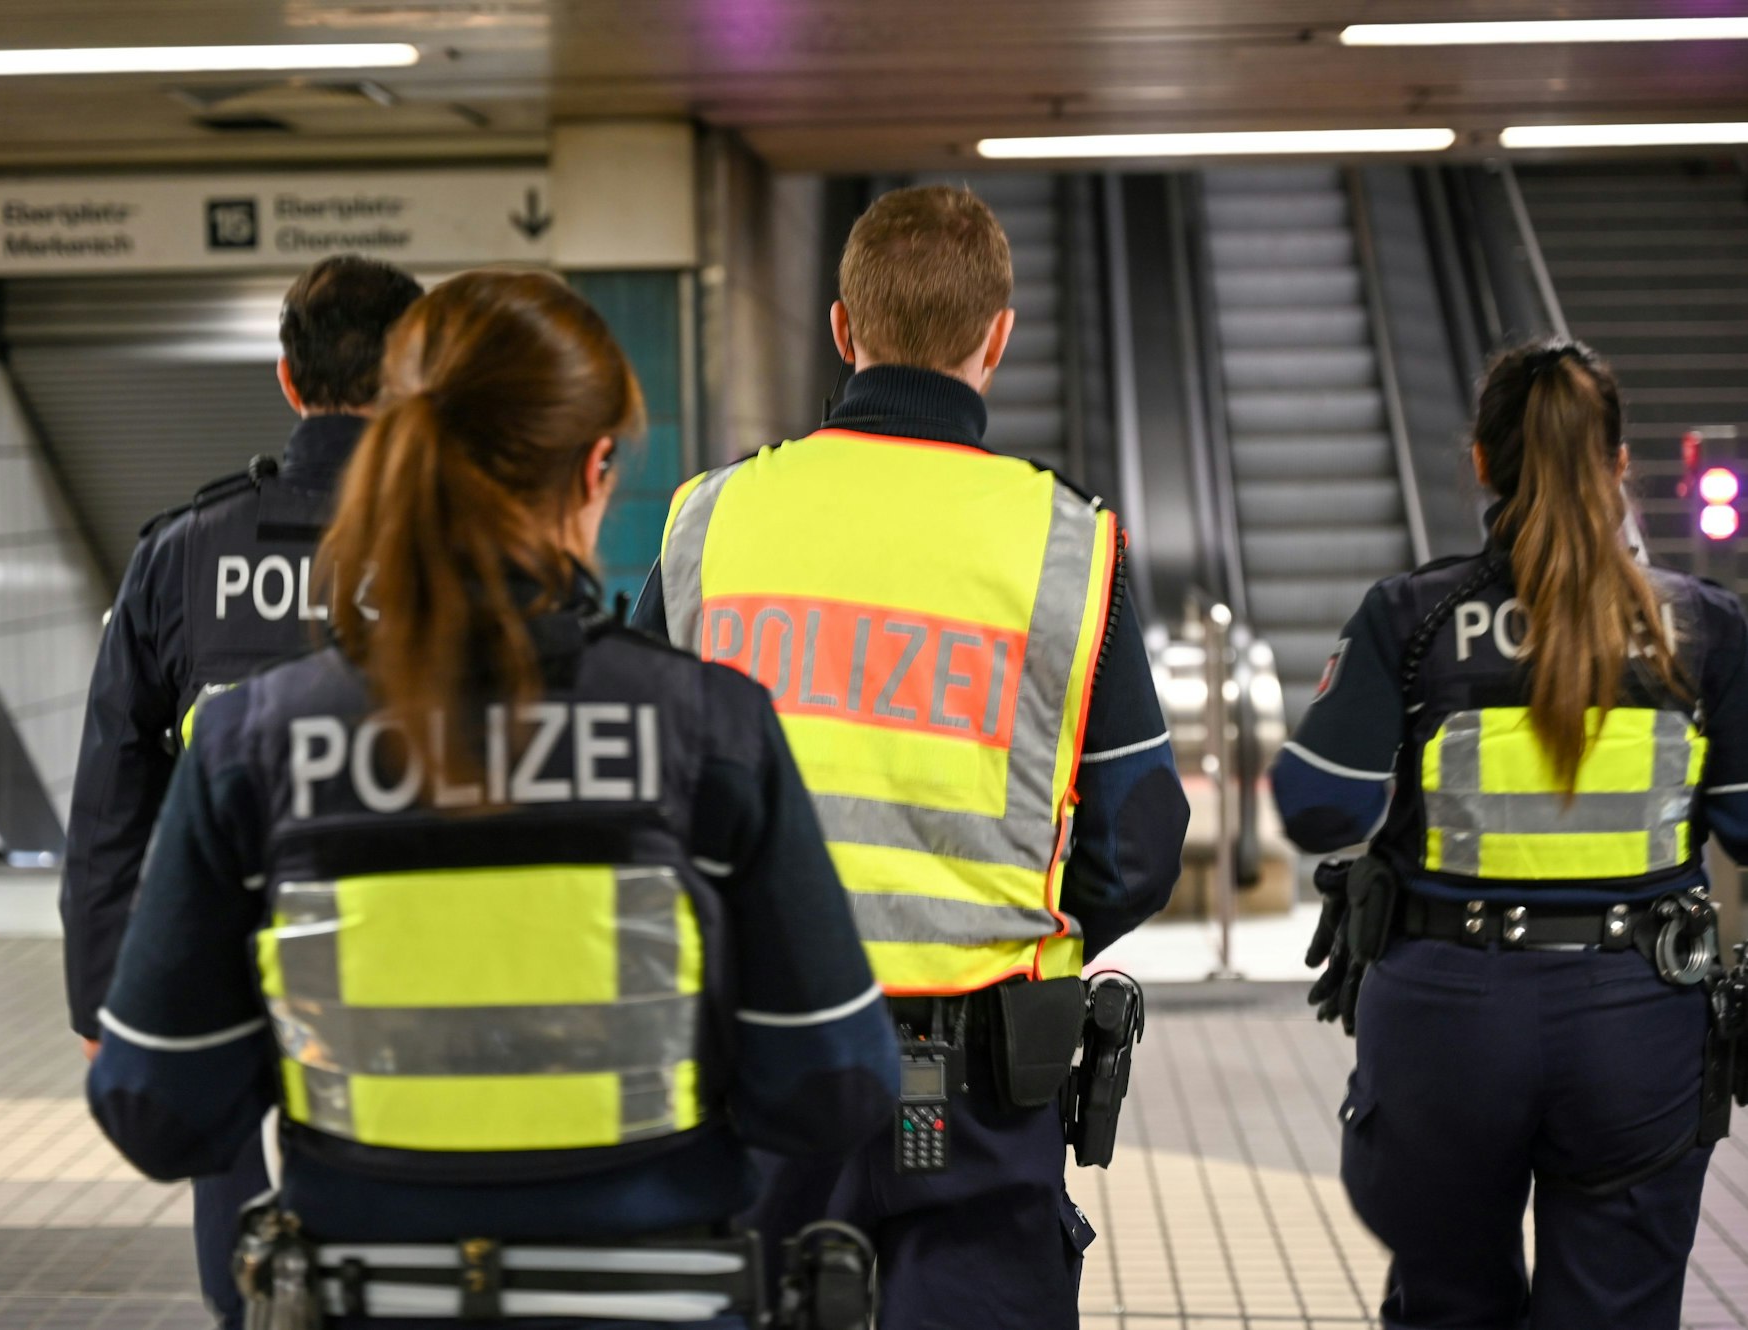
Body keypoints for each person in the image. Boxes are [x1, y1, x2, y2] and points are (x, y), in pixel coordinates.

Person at [86, 269, 898, 1330]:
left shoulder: (257, 740)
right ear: (597, 467)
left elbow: (158, 1109)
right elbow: (833, 1082)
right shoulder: (710, 731)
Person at [631, 184, 1189, 1329]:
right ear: (999, 335)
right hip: (981, 1085)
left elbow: (631, 785)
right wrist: (1002, 921)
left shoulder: (708, 521)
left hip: (758, 1067)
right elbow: (1138, 839)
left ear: (843, 331)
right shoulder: (1068, 545)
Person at [1272, 339, 1748, 1330]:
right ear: (1617, 465)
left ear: (1482, 463)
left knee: (1450, 1307)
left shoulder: (1413, 616)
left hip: (1448, 1023)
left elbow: (1318, 806)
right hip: (1642, 1022)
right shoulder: (1699, 629)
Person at [60, 253, 423, 1328]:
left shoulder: (180, 554)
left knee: (234, 1187)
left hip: (223, 943)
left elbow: (113, 791)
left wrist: (104, 995)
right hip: (405, 942)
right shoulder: (467, 546)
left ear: (287, 380)